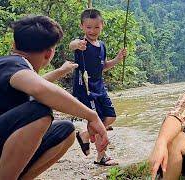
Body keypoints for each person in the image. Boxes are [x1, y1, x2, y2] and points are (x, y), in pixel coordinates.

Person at [0, 15, 108, 180]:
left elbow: (34, 84)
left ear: (14, 45)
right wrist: (91, 116)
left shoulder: (10, 65)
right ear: (49, 53)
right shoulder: (12, 64)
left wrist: (60, 72)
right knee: (39, 112)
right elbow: (39, 89)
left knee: (65, 131)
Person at [69, 8, 127, 166]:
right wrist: (77, 44)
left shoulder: (101, 45)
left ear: (102, 25)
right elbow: (71, 45)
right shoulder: (82, 44)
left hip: (99, 87)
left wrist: (117, 59)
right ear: (82, 26)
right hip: (85, 88)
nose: (92, 31)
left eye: (96, 27)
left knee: (110, 117)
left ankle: (86, 134)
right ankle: (101, 156)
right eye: (88, 27)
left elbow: (102, 66)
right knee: (98, 121)